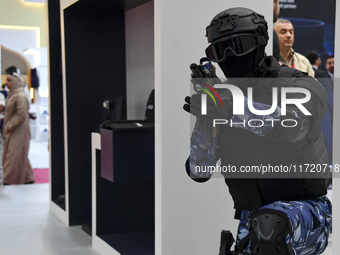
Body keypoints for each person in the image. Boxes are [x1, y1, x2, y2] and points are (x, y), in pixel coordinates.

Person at [184, 7, 331, 255]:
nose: (231, 57)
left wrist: (231, 108)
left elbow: (293, 126)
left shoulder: (300, 84)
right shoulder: (224, 100)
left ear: (261, 42)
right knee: (262, 228)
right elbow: (199, 170)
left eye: (239, 45)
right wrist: (208, 118)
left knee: (268, 228)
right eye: (221, 51)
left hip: (306, 213)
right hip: (253, 217)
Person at [2, 72, 35, 185]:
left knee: (13, 155)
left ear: (16, 82)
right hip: (15, 129)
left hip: (18, 130)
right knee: (20, 154)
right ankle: (28, 178)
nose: (7, 83)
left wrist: (9, 125)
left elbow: (21, 114)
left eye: (9, 80)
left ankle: (7, 180)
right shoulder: (13, 94)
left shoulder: (20, 95)